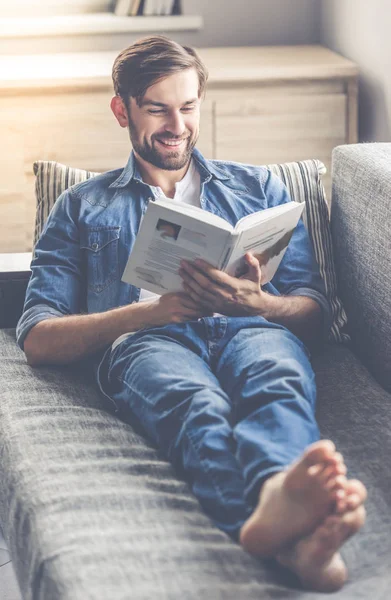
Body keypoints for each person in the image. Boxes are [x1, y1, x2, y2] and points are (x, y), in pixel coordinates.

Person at [16, 35, 367, 593]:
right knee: (194, 405)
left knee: (274, 380)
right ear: (121, 109)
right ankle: (294, 538)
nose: (176, 125)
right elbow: (37, 336)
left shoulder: (259, 189)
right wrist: (146, 314)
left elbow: (314, 311)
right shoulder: (83, 206)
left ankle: (284, 513)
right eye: (157, 108)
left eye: (187, 107)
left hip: (249, 326)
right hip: (150, 340)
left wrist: (261, 303)